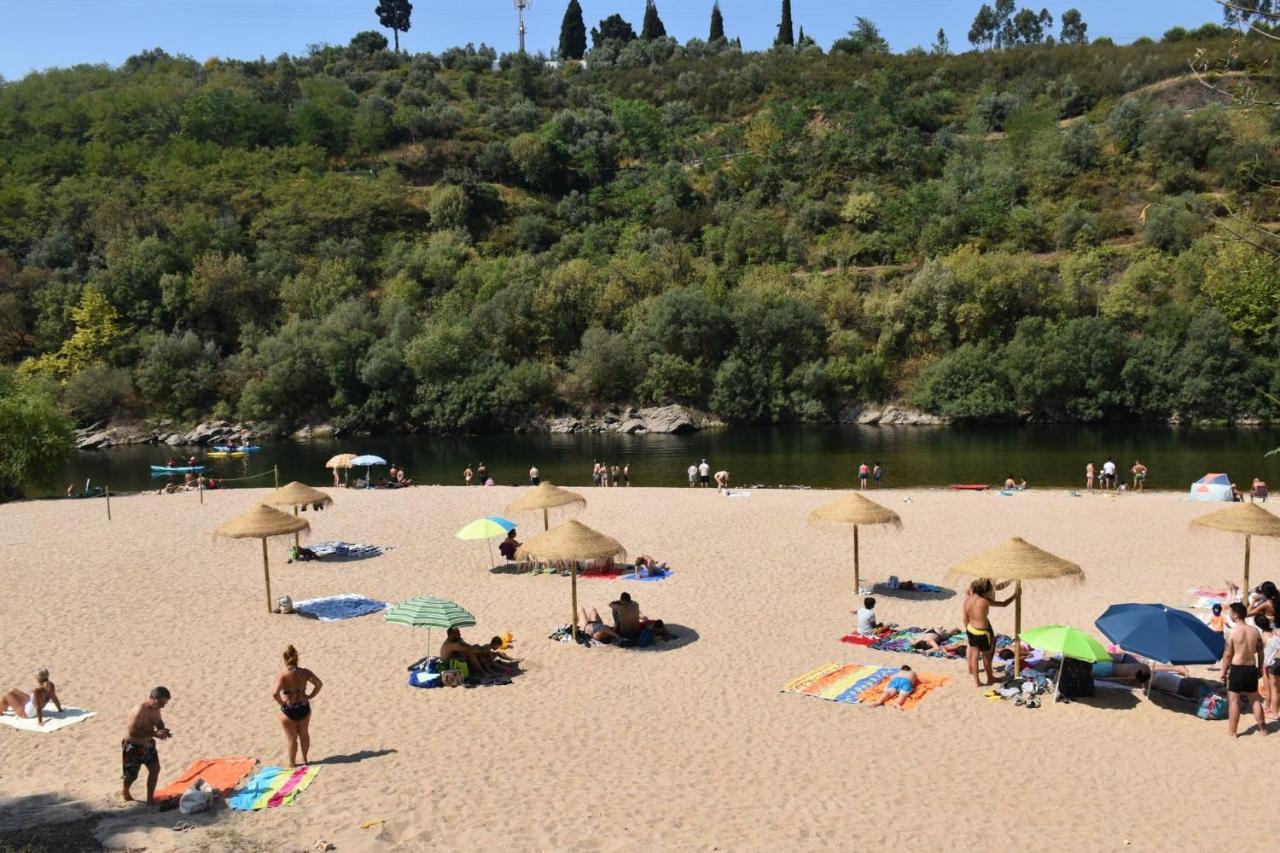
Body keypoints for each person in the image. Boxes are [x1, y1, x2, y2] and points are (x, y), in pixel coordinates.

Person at [1220, 602, 1269, 738]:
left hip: (1237, 668)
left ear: (1235, 615)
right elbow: (1260, 652)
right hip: (1251, 667)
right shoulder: (1255, 631)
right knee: (1255, 700)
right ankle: (1263, 730)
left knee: (1234, 701)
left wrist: (1223, 671)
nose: (1230, 614)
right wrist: (1259, 667)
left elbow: (1228, 655)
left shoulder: (1233, 632)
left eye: (1230, 612)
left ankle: (1233, 732)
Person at [272, 645, 322, 768]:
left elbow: (275, 693)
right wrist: (310, 695)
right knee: (304, 735)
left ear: (285, 660)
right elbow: (319, 684)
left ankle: (292, 763)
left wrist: (282, 704)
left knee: (291, 738)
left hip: (289, 709)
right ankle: (305, 760)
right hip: (304, 706)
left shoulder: (283, 675)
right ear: (297, 659)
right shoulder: (305, 672)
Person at [122, 687, 172, 804]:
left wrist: (162, 730)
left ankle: (150, 799)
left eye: (165, 704)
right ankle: (125, 791)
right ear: (154, 699)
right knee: (132, 775)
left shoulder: (156, 708)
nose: (163, 706)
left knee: (155, 769)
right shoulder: (139, 710)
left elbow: (158, 721)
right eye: (162, 703)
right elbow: (132, 732)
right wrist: (154, 733)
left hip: (148, 744)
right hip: (132, 746)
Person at [962, 578, 1015, 687]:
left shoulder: (967, 600)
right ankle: (990, 678)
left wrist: (967, 630)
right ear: (985, 590)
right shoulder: (985, 601)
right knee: (987, 656)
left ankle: (977, 682)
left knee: (974, 656)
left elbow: (964, 617)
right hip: (983, 633)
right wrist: (1015, 596)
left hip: (971, 629)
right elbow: (1004, 604)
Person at [1255, 614, 1280, 721]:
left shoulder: (1262, 636)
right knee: (1277, 689)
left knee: (1270, 689)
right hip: (1277, 660)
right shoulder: (1276, 631)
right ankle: (1274, 708)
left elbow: (1258, 651)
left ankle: (1270, 709)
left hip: (1269, 664)